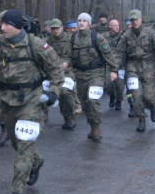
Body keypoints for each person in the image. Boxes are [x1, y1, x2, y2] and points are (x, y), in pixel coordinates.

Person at [0, 9, 63, 194]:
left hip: (32, 101)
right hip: (7, 100)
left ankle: (18, 189)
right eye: (2, 24)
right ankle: (37, 161)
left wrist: (54, 92)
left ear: (17, 26)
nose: (2, 27)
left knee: (24, 144)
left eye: (7, 24)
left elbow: (57, 69)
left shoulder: (36, 44)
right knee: (16, 142)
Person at [115, 9, 155, 133]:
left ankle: (153, 107)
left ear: (141, 18)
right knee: (136, 96)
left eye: (136, 19)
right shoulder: (126, 35)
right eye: (132, 20)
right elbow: (119, 53)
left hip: (148, 67)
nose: (134, 22)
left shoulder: (150, 33)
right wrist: (114, 68)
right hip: (133, 67)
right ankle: (141, 119)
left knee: (149, 96)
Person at [70, 13, 120, 141]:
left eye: (84, 21)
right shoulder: (73, 38)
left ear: (89, 23)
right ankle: (92, 125)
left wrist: (114, 70)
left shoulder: (97, 38)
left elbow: (108, 54)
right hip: (80, 74)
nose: (81, 23)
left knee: (93, 100)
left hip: (96, 73)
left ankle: (97, 127)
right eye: (79, 20)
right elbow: (68, 55)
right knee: (84, 102)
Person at [46, 18, 77, 130]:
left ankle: (69, 118)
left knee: (64, 92)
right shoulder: (47, 42)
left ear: (62, 27)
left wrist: (68, 63)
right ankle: (42, 117)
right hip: (53, 72)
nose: (55, 31)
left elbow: (77, 54)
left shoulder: (71, 38)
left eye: (57, 28)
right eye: (53, 29)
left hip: (68, 71)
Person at [103, 17, 126, 112]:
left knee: (120, 86)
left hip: (120, 66)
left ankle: (118, 101)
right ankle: (112, 96)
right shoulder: (103, 37)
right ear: (110, 27)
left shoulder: (123, 37)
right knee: (108, 85)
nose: (117, 27)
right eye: (115, 25)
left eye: (118, 25)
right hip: (108, 65)